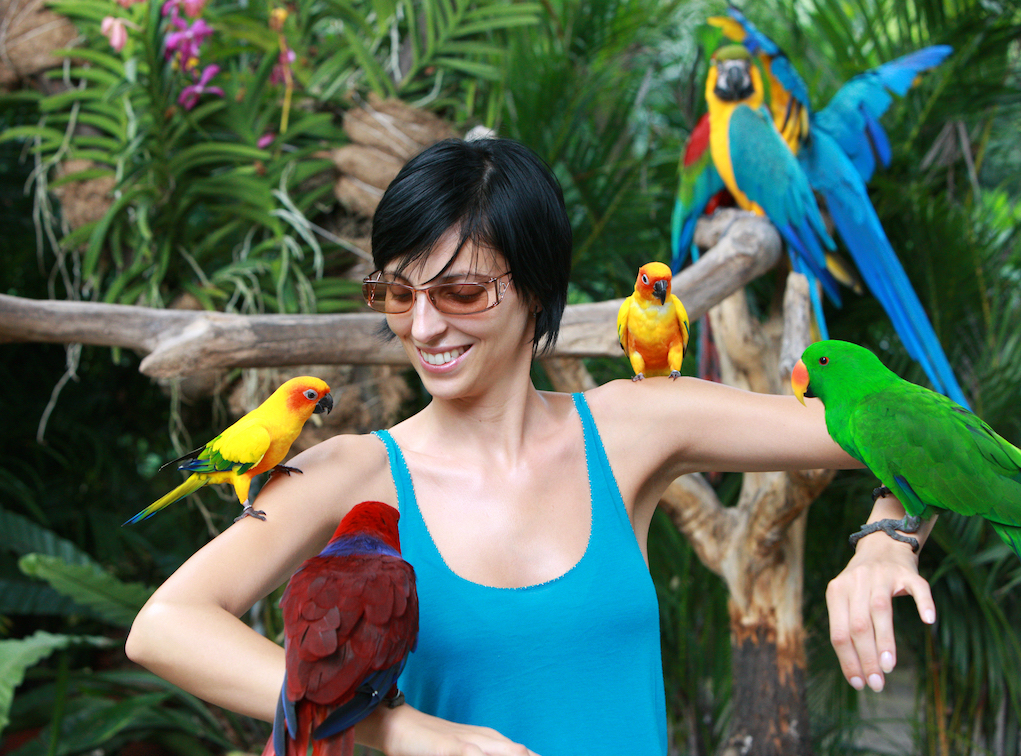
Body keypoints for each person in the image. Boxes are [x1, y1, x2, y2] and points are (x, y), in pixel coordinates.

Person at [126, 137, 936, 755]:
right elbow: (165, 625)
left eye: (463, 291)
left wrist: (885, 540)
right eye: (399, 293)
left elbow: (927, 435)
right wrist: (403, 732)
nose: (424, 325)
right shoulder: (351, 471)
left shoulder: (635, 426)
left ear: (539, 290)